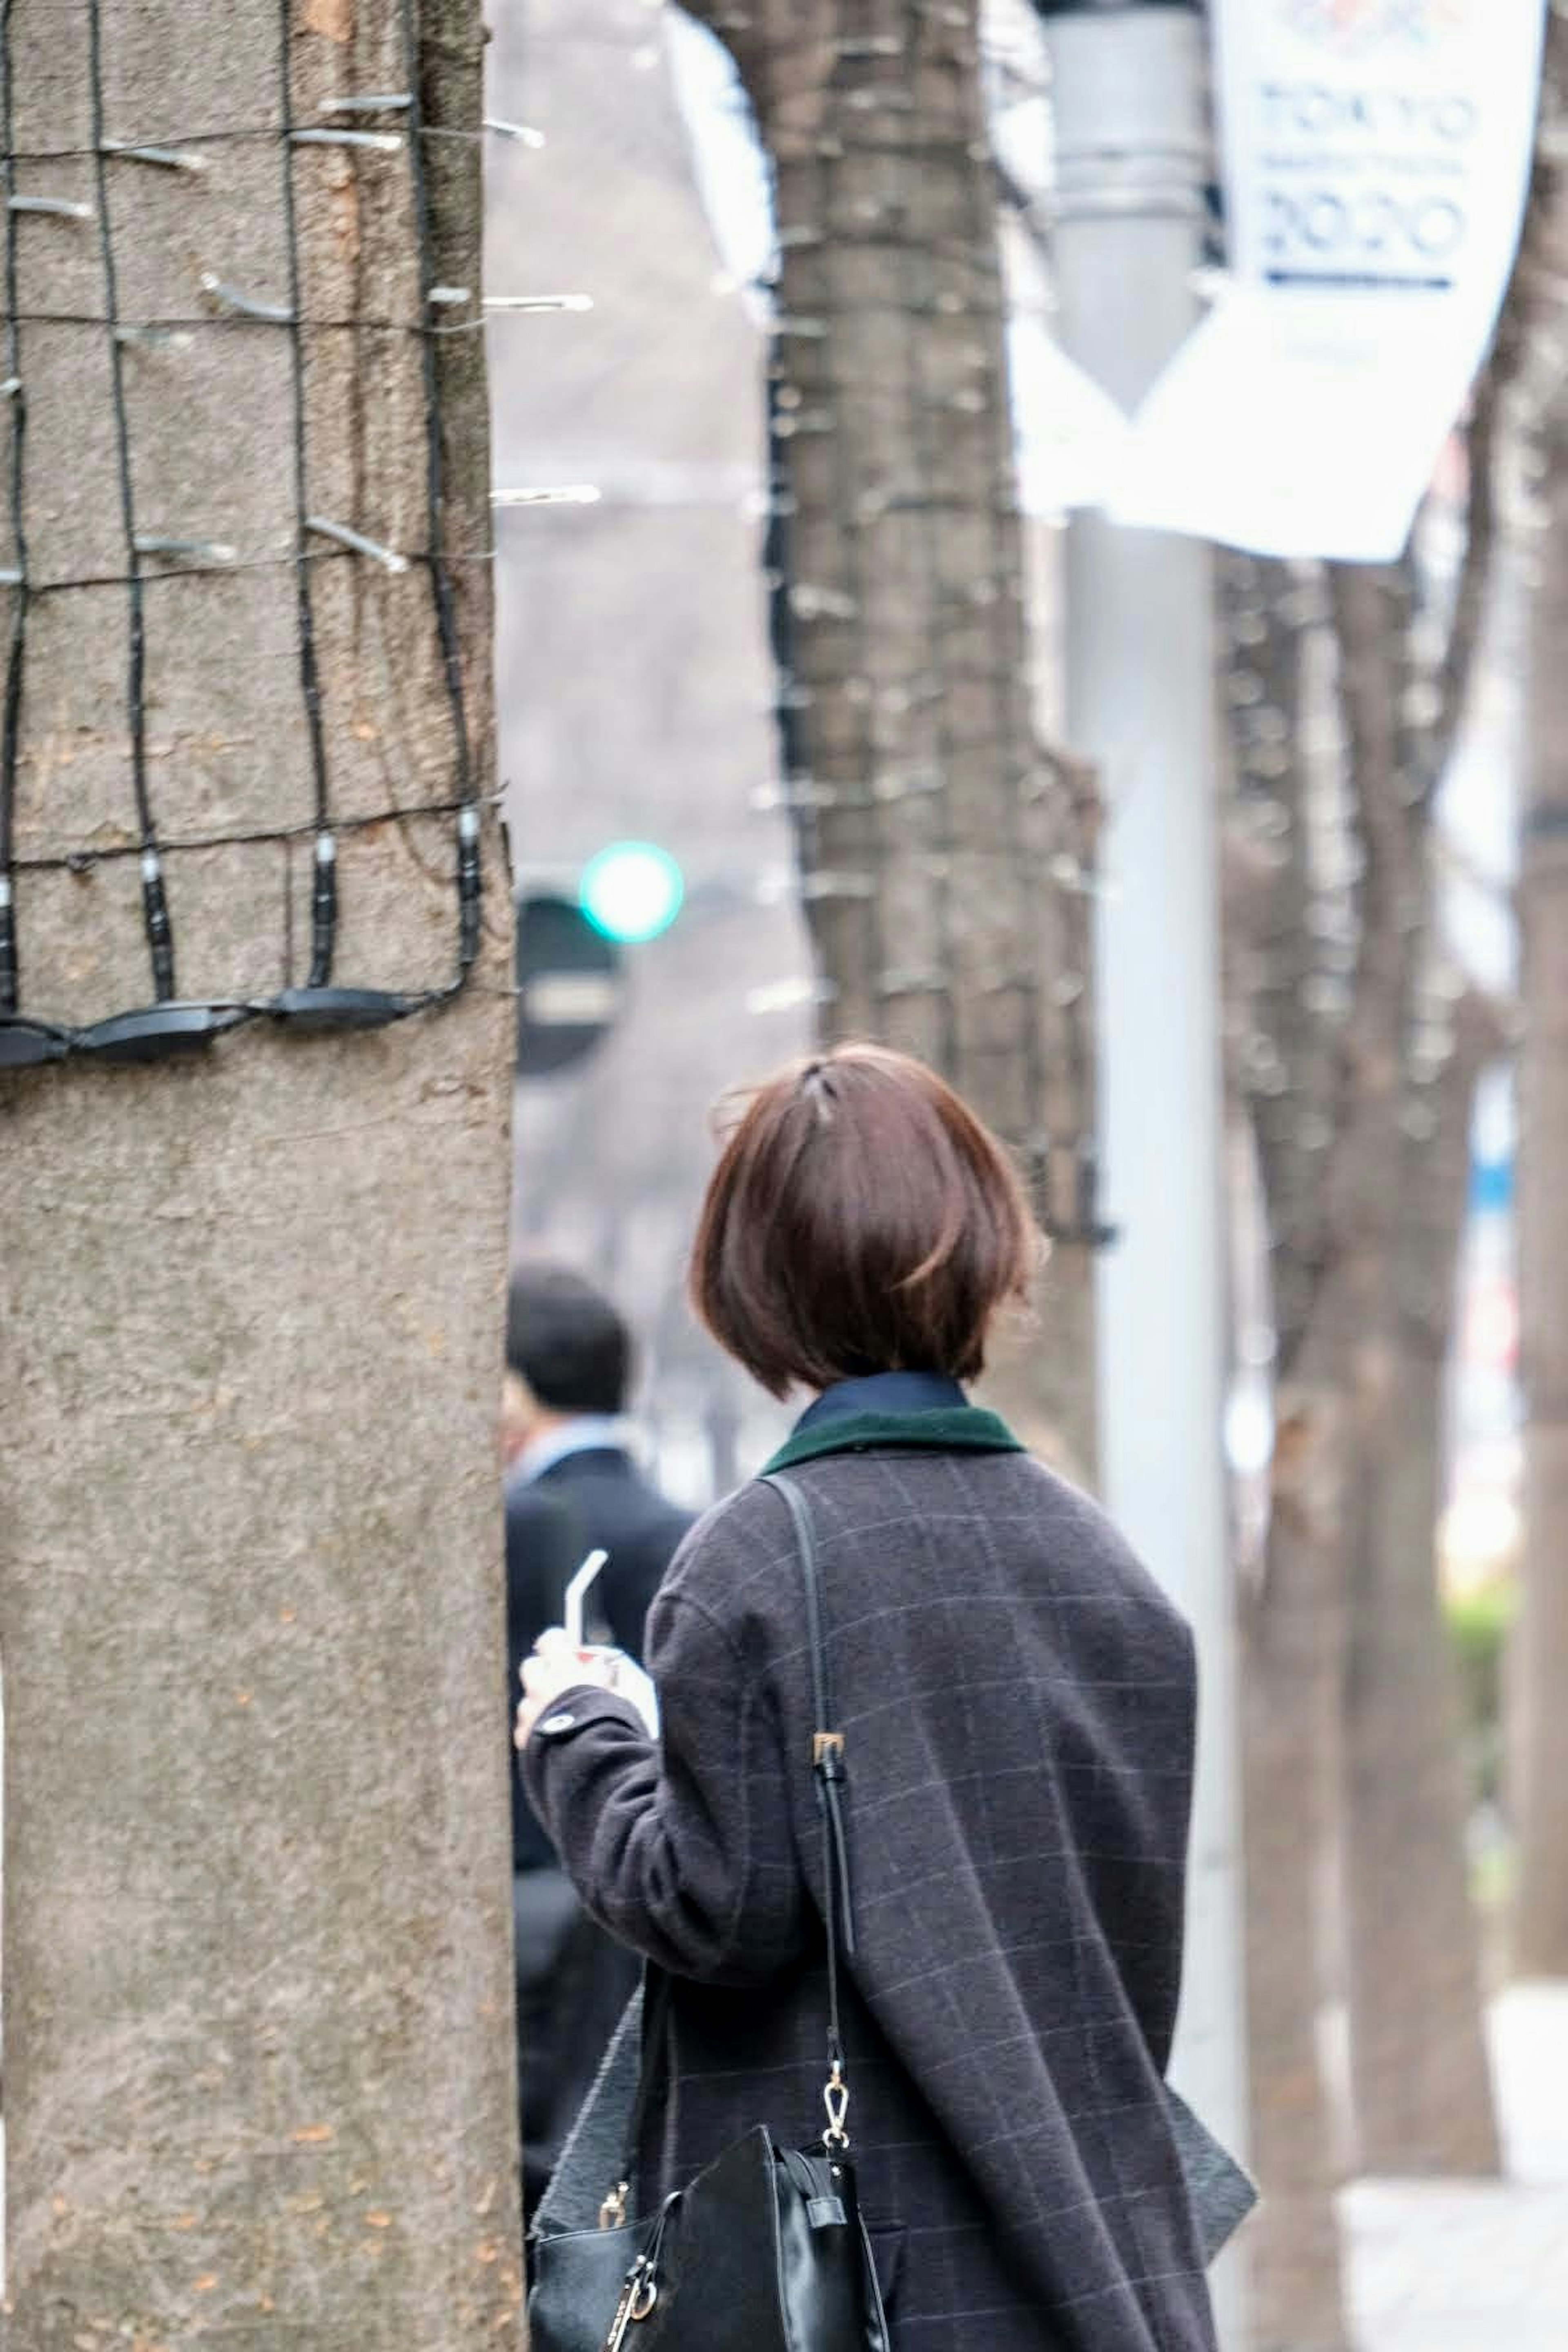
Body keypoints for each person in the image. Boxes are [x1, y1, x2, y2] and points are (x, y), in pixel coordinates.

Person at [515, 1046, 1218, 2352]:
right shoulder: (1110, 1576)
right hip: (1101, 2252)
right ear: (991, 1250)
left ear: (748, 1281)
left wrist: (579, 1730)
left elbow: (714, 1908)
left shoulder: (758, 1558)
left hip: (865, 2281)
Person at [502, 1262, 694, 2230]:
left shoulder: (508, 1529)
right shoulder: (686, 1531)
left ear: (513, 1388)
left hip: (534, 1914)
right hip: (655, 1913)